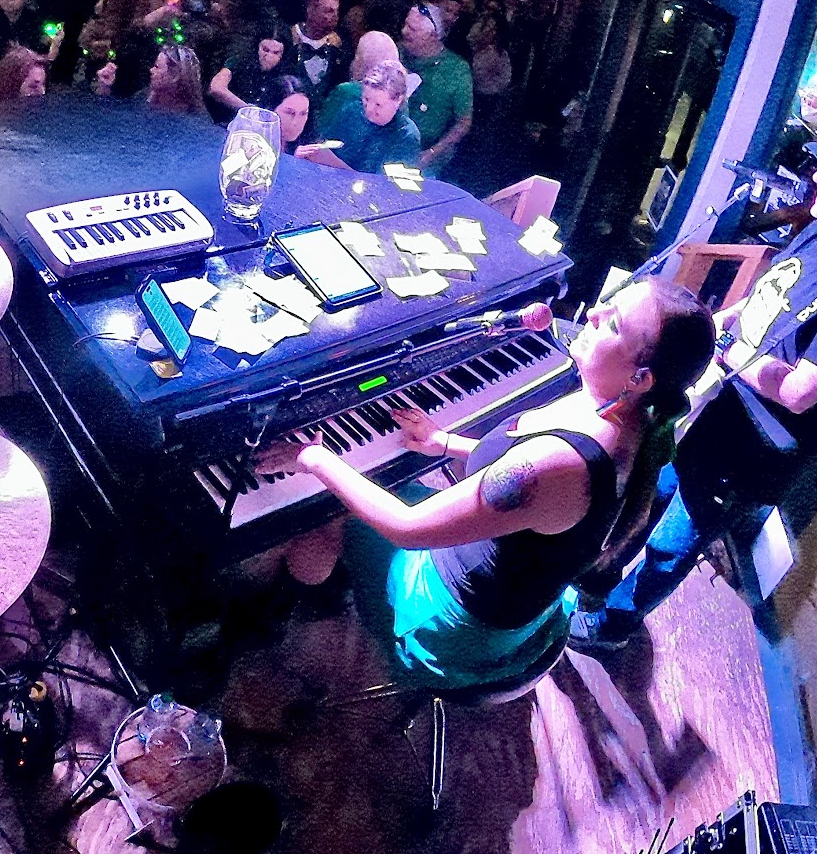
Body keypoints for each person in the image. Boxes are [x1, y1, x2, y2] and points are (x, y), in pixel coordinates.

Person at [257, 278, 713, 687]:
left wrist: (312, 457)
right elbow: (519, 472)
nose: (593, 312)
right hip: (517, 602)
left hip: (447, 625)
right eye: (608, 302)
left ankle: (287, 616)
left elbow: (406, 527)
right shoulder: (629, 417)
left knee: (320, 513)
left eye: (613, 324)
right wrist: (444, 442)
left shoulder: (561, 461)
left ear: (640, 377)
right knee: (362, 488)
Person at [571, 120, 817, 654]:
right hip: (721, 403)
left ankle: (613, 625)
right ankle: (594, 586)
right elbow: (767, 295)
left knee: (675, 540)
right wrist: (716, 324)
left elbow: (803, 391)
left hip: (755, 445)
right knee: (647, 498)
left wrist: (724, 348)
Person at [301, 60, 420, 174]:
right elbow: (326, 145)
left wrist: (334, 164)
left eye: (378, 104)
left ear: (398, 100)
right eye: (366, 99)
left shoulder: (406, 135)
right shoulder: (352, 111)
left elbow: (383, 185)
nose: (369, 108)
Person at [399, 3, 473, 176]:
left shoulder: (456, 69)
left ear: (432, 36)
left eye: (412, 29)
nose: (404, 31)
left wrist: (432, 153)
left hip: (425, 158)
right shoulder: (396, 52)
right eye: (405, 24)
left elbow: (463, 122)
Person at [208, 37, 299, 119]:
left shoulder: (287, 75)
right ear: (257, 48)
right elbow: (216, 88)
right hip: (226, 120)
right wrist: (248, 110)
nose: (269, 56)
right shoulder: (239, 61)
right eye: (265, 50)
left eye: (276, 53)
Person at [287, 0, 345, 97]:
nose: (335, 16)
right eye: (328, 11)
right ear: (310, 10)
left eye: (336, 11)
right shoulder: (288, 37)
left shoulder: (339, 46)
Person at [147, 44, 206, 116]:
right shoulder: (141, 102)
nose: (151, 70)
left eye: (157, 67)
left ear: (175, 75)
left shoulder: (193, 118)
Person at [267, 75, 312, 154]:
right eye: (289, 113)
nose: (295, 122)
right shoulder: (252, 139)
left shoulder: (311, 145)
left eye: (303, 113)